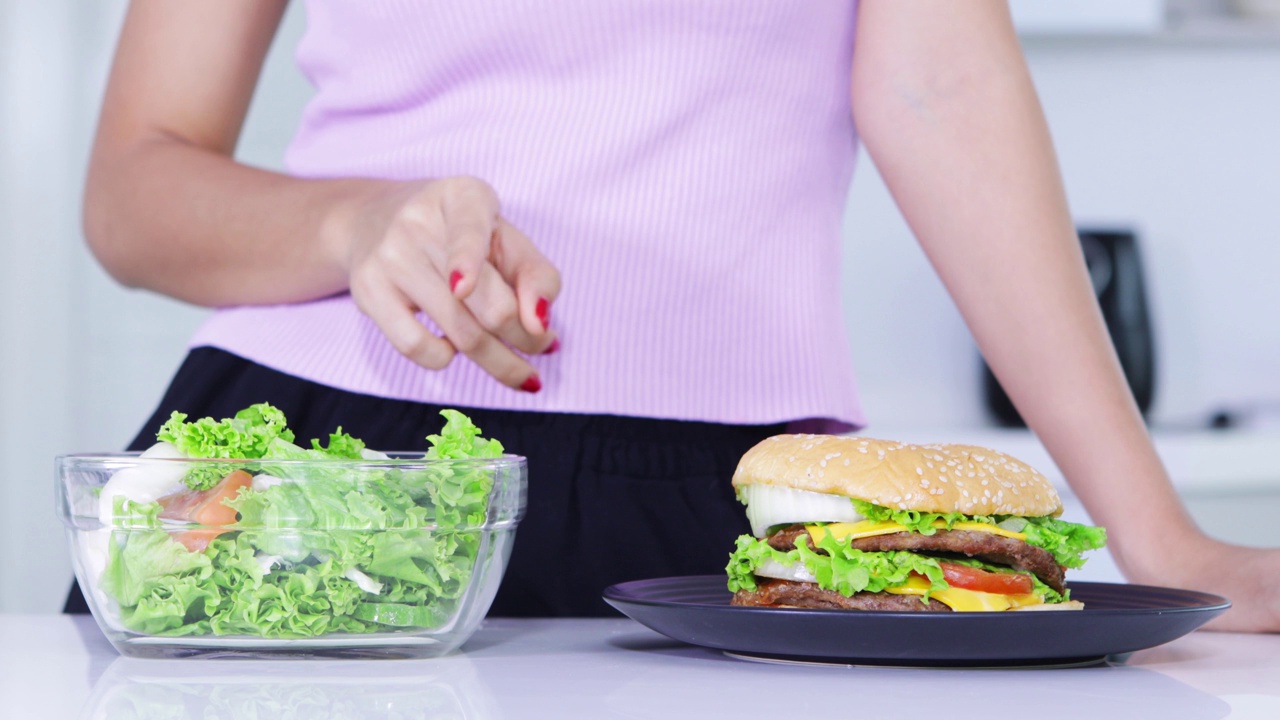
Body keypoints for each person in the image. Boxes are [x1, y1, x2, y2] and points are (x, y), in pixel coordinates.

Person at [72, 0, 1280, 630]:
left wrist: (1153, 535)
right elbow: (134, 188)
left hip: (733, 509)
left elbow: (942, 90)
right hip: (324, 475)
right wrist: (349, 226)